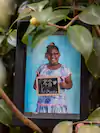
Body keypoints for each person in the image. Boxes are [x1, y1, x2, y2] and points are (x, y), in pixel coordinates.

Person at [34, 42, 72, 113]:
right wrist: (40, 85)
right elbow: (35, 85)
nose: (52, 56)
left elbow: (70, 84)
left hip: (58, 105)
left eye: (55, 54)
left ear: (59, 54)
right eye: (50, 54)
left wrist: (64, 85)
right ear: (46, 55)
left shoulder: (64, 69)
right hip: (43, 105)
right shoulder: (42, 68)